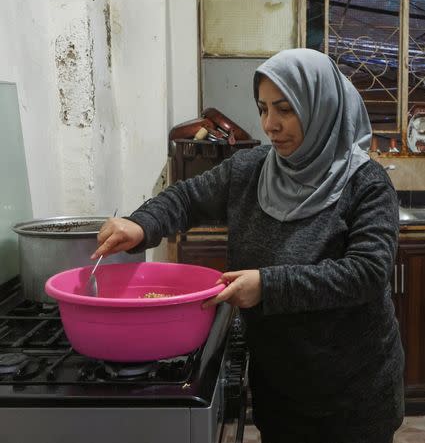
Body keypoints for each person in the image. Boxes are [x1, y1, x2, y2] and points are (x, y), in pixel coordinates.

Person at [92, 48, 404, 443]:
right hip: (281, 387)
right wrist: (141, 224)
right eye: (262, 109)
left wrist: (268, 286)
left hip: (353, 393)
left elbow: (367, 274)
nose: (270, 124)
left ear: (320, 106)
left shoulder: (366, 183)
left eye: (286, 109)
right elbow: (187, 198)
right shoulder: (252, 168)